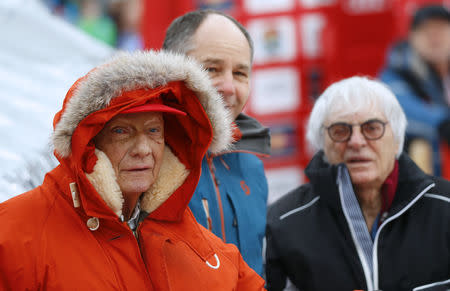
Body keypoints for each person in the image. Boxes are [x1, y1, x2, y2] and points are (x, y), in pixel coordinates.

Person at [0, 50, 266, 290]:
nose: (143, 148)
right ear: (89, 143)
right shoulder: (13, 234)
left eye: (154, 130)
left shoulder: (188, 234)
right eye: (121, 131)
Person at [265, 76, 450, 291]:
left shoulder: (445, 207)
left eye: (372, 128)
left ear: (397, 138)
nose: (356, 141)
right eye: (340, 131)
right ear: (321, 144)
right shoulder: (284, 224)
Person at [162, 9, 271, 275]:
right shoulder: (141, 160)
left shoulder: (252, 166)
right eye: (212, 69)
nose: (229, 87)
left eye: (241, 73)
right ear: (170, 69)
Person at [379, 4, 450, 176]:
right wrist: (443, 123)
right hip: (418, 179)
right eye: (426, 31)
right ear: (411, 37)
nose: (435, 38)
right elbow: (398, 106)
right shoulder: (397, 70)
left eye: (441, 29)